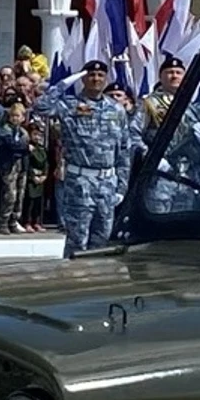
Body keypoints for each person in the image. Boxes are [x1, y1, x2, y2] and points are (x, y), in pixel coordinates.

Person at [32, 59, 133, 258]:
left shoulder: (117, 110)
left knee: (102, 238)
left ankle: (96, 282)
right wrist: (61, 86)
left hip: (107, 182)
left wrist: (121, 186)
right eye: (91, 75)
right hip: (80, 182)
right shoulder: (69, 106)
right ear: (83, 79)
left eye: (100, 76)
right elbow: (40, 108)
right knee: (77, 239)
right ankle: (73, 279)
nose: (96, 79)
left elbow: (123, 151)